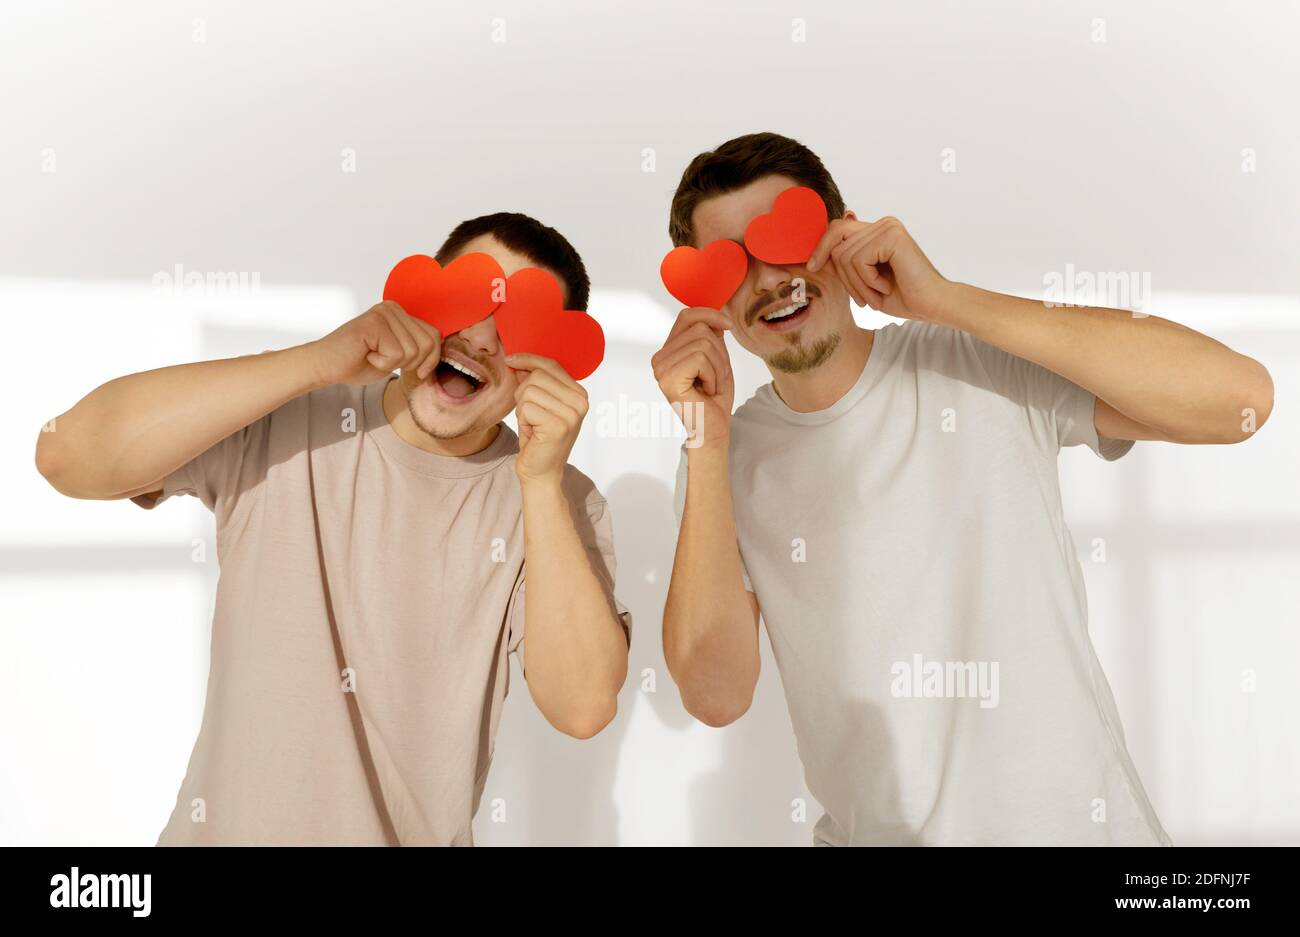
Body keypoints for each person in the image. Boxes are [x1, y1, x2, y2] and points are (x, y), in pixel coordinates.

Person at [654, 132, 1273, 845]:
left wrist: (946, 300)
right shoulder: (723, 456)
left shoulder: (979, 363)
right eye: (732, 263)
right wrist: (706, 436)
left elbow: (1240, 399)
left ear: (842, 233)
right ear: (706, 297)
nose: (768, 279)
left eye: (785, 237)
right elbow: (715, 693)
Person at [36, 212, 632, 845]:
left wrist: (539, 482)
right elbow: (65, 457)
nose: (480, 339)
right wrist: (319, 361)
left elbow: (583, 705)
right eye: (464, 300)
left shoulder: (559, 501)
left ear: (549, 364)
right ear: (417, 303)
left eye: (519, 325)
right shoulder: (282, 417)